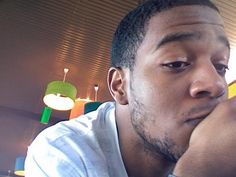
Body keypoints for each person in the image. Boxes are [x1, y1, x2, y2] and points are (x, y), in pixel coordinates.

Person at [25, 0, 236, 176]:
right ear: (120, 86)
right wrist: (197, 170)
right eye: (176, 63)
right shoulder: (63, 151)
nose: (216, 85)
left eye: (221, 66)